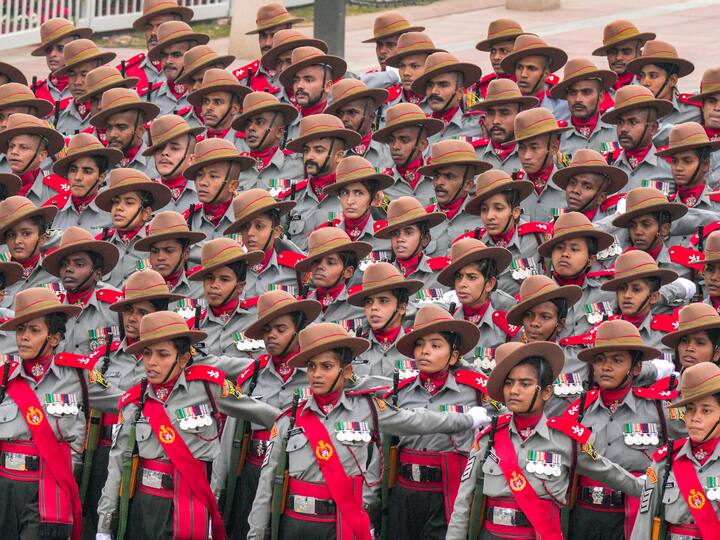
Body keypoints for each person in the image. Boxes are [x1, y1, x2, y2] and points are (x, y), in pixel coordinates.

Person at [246, 321, 490, 539]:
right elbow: (266, 485)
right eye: (311, 367)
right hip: (295, 523)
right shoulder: (289, 419)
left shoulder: (369, 409)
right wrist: (256, 533)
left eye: (327, 366)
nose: (317, 375)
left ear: (347, 371)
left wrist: (466, 420)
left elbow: (417, 420)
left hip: (343, 524)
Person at [96, 310, 280, 540]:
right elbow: (116, 466)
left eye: (163, 354)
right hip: (144, 506)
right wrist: (104, 524)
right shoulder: (134, 402)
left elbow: (266, 415)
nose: (152, 362)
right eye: (147, 353)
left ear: (183, 358)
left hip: (191, 502)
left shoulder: (208, 388)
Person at [446, 340, 643, 539]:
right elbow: (463, 502)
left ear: (547, 392)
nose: (514, 390)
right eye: (509, 383)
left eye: (525, 384)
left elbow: (608, 471)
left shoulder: (566, 441)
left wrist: (647, 489)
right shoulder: (489, 438)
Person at [0, 287, 123, 539]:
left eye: (34, 330)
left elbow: (126, 401)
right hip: (5, 486)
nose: (24, 337)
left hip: (51, 487)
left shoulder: (79, 375)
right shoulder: (4, 375)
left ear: (54, 338)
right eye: (21, 329)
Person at [82, 268, 184, 537]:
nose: (132, 319)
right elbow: (90, 392)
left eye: (142, 312)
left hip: (145, 452)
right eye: (128, 311)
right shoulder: (104, 353)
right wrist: (133, 401)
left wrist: (127, 401)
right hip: (103, 448)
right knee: (96, 521)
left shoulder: (172, 358)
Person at [216, 289, 321, 540]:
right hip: (252, 471)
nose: (271, 336)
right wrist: (216, 492)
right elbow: (229, 439)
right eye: (266, 330)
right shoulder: (252, 375)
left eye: (281, 329)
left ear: (298, 331)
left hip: (292, 474)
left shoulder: (315, 374)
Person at [566, 319, 685, 539]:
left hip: (633, 517)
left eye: (617, 360)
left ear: (636, 367)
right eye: (600, 360)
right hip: (584, 515)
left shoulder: (658, 409)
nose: (606, 367)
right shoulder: (580, 409)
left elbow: (684, 453)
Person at [386, 305, 492, 539]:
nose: (425, 351)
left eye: (435, 346)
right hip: (405, 491)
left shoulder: (474, 391)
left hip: (447, 492)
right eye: (420, 344)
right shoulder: (399, 393)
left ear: (453, 355)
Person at [631, 361, 720, 540]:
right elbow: (644, 519)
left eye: (706, 411)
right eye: (690, 409)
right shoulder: (666, 460)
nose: (695, 418)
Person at [277, 114, 361, 251]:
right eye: (306, 150)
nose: (309, 156)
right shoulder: (291, 197)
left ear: (338, 156)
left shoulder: (356, 197)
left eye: (318, 150)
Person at [41, 226, 121, 355]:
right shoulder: (50, 305)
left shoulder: (115, 305)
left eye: (79, 264)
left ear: (97, 273)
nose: (69, 269)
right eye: (64, 264)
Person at [464, 169, 543, 298]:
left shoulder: (537, 238)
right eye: (484, 209)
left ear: (515, 212)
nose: (490, 216)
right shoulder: (473, 244)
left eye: (498, 208)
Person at [538, 211, 615, 336]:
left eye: (574, 249)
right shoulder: (538, 296)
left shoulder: (607, 294)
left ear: (591, 260)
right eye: (559, 248)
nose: (565, 254)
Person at [94, 168, 172, 287]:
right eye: (116, 201)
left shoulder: (157, 243)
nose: (119, 207)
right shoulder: (101, 243)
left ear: (146, 213)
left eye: (129, 202)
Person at [436, 238, 516, 353]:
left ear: (489, 284)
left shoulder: (505, 328)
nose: (462, 284)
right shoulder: (446, 323)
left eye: (472, 277)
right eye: (459, 276)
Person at [186, 237, 263, 356]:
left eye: (224, 279)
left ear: (240, 286)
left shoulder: (258, 320)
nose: (214, 285)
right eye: (209, 278)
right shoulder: (191, 328)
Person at [223, 188, 305, 298]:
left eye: (259, 226)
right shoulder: (231, 272)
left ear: (276, 231)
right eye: (245, 227)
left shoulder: (296, 269)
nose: (250, 233)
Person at [347, 262, 423, 377]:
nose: (374, 308)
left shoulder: (418, 348)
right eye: (368, 302)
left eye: (383, 301)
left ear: (402, 308)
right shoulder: (353, 349)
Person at [419, 139, 491, 256]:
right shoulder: (423, 221)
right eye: (436, 176)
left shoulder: (484, 219)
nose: (439, 182)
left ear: (468, 185)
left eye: (449, 176)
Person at [600, 250, 679, 352]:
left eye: (636, 289)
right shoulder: (603, 332)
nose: (627, 295)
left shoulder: (669, 333)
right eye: (622, 289)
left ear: (654, 297)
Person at [626, 40, 700, 145]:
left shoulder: (695, 110)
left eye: (653, 76)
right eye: (642, 76)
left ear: (672, 80)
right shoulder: (629, 113)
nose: (645, 82)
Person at [183, 138, 255, 244]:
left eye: (213, 176)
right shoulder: (187, 221)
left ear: (233, 185)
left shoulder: (248, 218)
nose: (202, 182)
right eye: (199, 175)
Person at [600, 85, 673, 189]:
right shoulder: (606, 165)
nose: (623, 129)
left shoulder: (670, 168)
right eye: (620, 122)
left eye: (632, 122)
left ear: (652, 127)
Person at [609, 187, 691, 279]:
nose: (637, 232)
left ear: (664, 229)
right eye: (632, 226)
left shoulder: (681, 260)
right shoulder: (619, 262)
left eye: (646, 224)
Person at [373, 196, 448, 294]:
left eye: (408, 233)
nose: (400, 239)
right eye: (395, 234)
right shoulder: (382, 276)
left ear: (425, 239)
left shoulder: (441, 272)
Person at [294, 227, 371, 323]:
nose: (320, 267)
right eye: (316, 262)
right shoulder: (298, 308)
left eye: (330, 263)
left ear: (348, 272)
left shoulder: (361, 309)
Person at [50, 132, 123, 232]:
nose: (78, 177)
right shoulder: (53, 211)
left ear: (101, 177)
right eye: (73, 170)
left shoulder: (114, 212)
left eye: (87, 171)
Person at [319, 155, 393, 250]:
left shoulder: (387, 235)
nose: (350, 201)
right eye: (344, 193)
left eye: (359, 193)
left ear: (375, 199)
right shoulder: (326, 235)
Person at [232, 91, 303, 190]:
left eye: (259, 122)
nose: (251, 128)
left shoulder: (297, 167)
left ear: (279, 131)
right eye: (248, 124)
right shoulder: (234, 170)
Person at [374, 102, 444, 203]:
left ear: (422, 145)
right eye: (391, 140)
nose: (395, 147)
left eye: (404, 140)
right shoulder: (382, 184)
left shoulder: (441, 179)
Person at [511, 107, 571, 222]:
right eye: (522, 148)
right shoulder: (512, 188)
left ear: (554, 148)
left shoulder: (569, 187)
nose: (526, 156)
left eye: (534, 147)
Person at [133, 210, 205, 304]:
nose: (160, 257)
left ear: (186, 253)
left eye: (169, 250)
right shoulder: (136, 289)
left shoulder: (202, 289)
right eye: (154, 251)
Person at [551, 58, 617, 157]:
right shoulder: (556, 137)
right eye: (572, 92)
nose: (578, 99)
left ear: (601, 96)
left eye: (586, 92)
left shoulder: (618, 131)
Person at [88, 88, 161, 177]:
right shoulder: (95, 165)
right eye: (109, 127)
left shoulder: (159, 163)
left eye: (121, 127)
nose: (112, 134)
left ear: (140, 130)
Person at [410, 52, 483, 141]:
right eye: (430, 85)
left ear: (460, 92)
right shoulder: (417, 130)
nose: (434, 91)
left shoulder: (480, 126)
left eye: (443, 85)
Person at [0, 196, 58, 308]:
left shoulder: (55, 273)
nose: (17, 241)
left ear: (42, 238)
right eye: (11, 235)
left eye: (26, 234)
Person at [234, 3, 304, 93]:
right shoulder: (243, 78)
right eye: (263, 36)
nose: (267, 43)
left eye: (274, 35)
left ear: (289, 31)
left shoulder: (303, 73)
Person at [0, 113, 68, 207]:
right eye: (11, 146)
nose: (14, 152)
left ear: (42, 155)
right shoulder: (2, 183)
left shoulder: (57, 189)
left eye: (23, 147)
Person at [279, 46, 347, 139]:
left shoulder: (342, 122)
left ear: (328, 86)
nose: (299, 86)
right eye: (296, 80)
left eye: (308, 80)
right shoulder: (285, 123)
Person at [470, 78, 537, 174]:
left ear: (520, 115)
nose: (496, 121)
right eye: (490, 113)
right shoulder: (473, 156)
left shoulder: (536, 157)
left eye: (504, 113)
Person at [52, 39, 116, 136]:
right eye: (72, 74)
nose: (77, 82)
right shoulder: (57, 115)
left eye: (84, 74)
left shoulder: (114, 112)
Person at [142, 113, 204, 213]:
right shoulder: (144, 196)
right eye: (159, 149)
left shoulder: (206, 191)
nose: (164, 153)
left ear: (191, 158)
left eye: (174, 148)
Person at [124, 0, 194, 88]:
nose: (153, 33)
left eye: (161, 26)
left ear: (177, 26)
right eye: (149, 27)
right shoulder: (127, 73)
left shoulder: (195, 73)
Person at [500, 34, 570, 120]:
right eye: (519, 67)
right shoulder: (501, 100)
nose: (523, 74)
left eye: (531, 68)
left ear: (546, 74)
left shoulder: (563, 106)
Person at [145, 21, 210, 115]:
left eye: (176, 55)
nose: (168, 61)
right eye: (164, 55)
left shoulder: (207, 95)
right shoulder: (149, 96)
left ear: (192, 57)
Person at [326, 79, 392, 169]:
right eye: (340, 113)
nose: (344, 119)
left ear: (371, 116)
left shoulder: (390, 152)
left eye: (352, 112)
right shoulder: (327, 154)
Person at [550, 148, 628, 224]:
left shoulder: (617, 223)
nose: (575, 190)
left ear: (601, 198)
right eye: (572, 183)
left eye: (587, 187)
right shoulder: (556, 223)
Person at [381, 31, 442, 121]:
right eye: (402, 66)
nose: (406, 73)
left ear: (430, 67)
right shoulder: (388, 100)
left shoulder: (443, 98)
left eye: (414, 66)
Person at [30, 17, 92, 105]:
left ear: (75, 50)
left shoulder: (90, 85)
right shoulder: (35, 91)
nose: (52, 54)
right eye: (48, 49)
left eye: (60, 48)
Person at [360, 11, 424, 90]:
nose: (382, 51)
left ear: (406, 45)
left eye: (390, 44)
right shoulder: (369, 78)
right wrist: (394, 75)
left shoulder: (424, 78)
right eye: (379, 44)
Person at [187, 68, 251, 143]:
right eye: (206, 101)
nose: (209, 107)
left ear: (234, 109)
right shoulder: (193, 143)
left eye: (218, 102)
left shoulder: (248, 143)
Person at [591, 19, 655, 94]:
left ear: (639, 54)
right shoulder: (597, 91)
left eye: (626, 52)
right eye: (613, 52)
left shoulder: (651, 87)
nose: (618, 57)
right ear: (607, 55)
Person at [474, 19, 525, 97]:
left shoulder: (533, 85)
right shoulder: (479, 88)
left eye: (504, 51)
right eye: (493, 51)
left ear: (518, 52)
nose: (496, 57)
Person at [662, 302, 720, 371]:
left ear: (717, 354)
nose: (689, 348)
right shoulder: (666, 381)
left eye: (700, 343)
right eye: (684, 341)